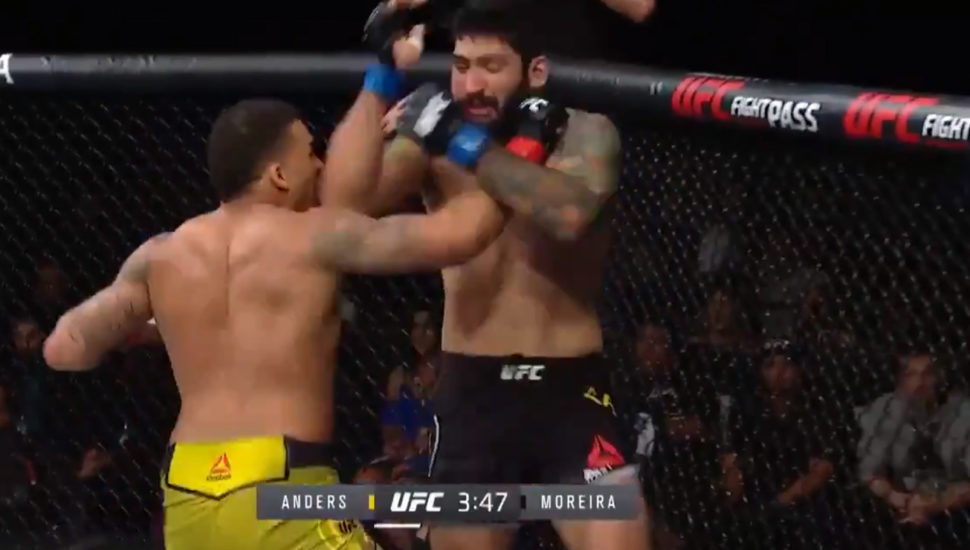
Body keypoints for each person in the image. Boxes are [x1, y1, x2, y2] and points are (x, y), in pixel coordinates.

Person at [40, 12, 508, 548]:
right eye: (311, 152)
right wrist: (495, 148)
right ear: (279, 175)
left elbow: (64, 349)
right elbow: (463, 235)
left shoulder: (160, 254)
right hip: (281, 487)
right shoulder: (314, 235)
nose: (321, 165)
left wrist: (151, 325)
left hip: (186, 493)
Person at [343, 2, 651, 548]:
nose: (472, 86)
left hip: (570, 395)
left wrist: (459, 140)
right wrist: (380, 86)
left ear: (535, 71)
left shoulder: (586, 132)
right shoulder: (430, 141)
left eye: (491, 66)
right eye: (461, 67)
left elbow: (568, 214)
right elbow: (351, 205)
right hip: (472, 396)